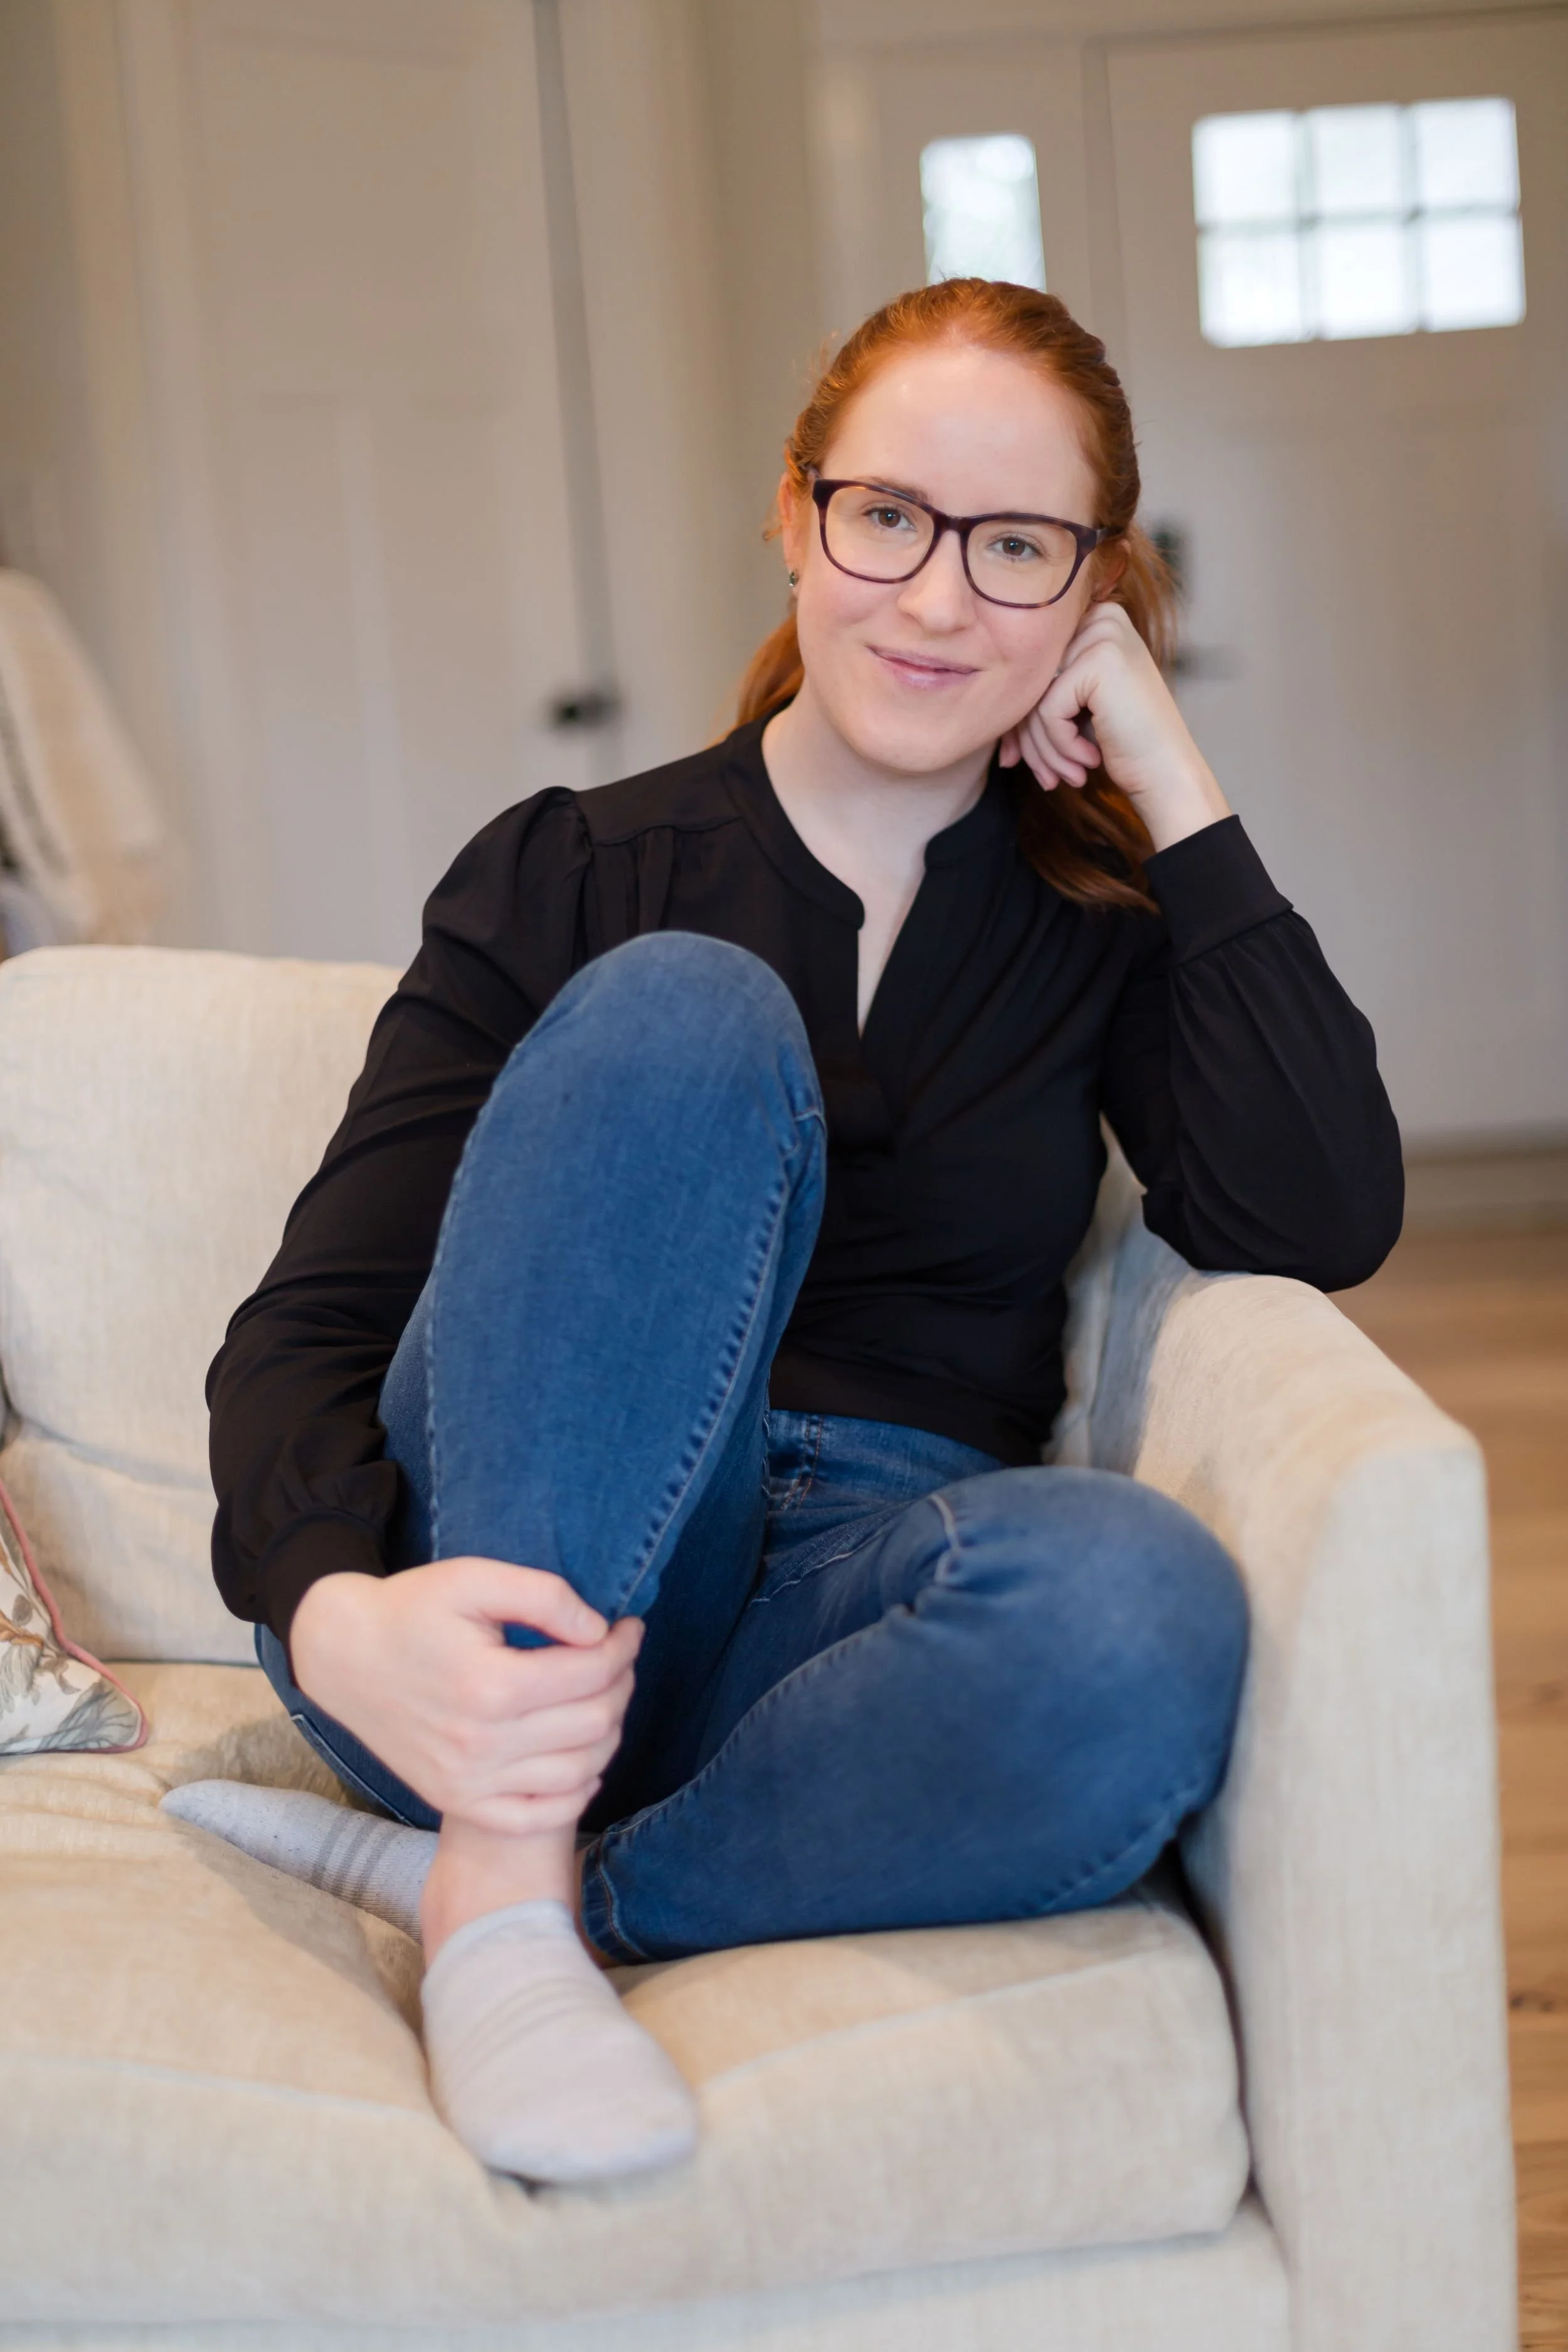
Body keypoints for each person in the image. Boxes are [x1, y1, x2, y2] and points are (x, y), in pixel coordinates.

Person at [166, 279, 1402, 2188]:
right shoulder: (572, 867)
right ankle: (491, 1879)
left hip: (840, 1635)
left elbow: (1319, 1214)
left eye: (1013, 548)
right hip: (499, 1614)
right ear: (794, 510)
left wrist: (1176, 783)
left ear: (1093, 588)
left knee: (1143, 1606)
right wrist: (337, 1615)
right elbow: (308, 1323)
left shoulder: (1100, 925)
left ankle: (569, 1893)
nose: (929, 598)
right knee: (685, 1009)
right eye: (884, 515)